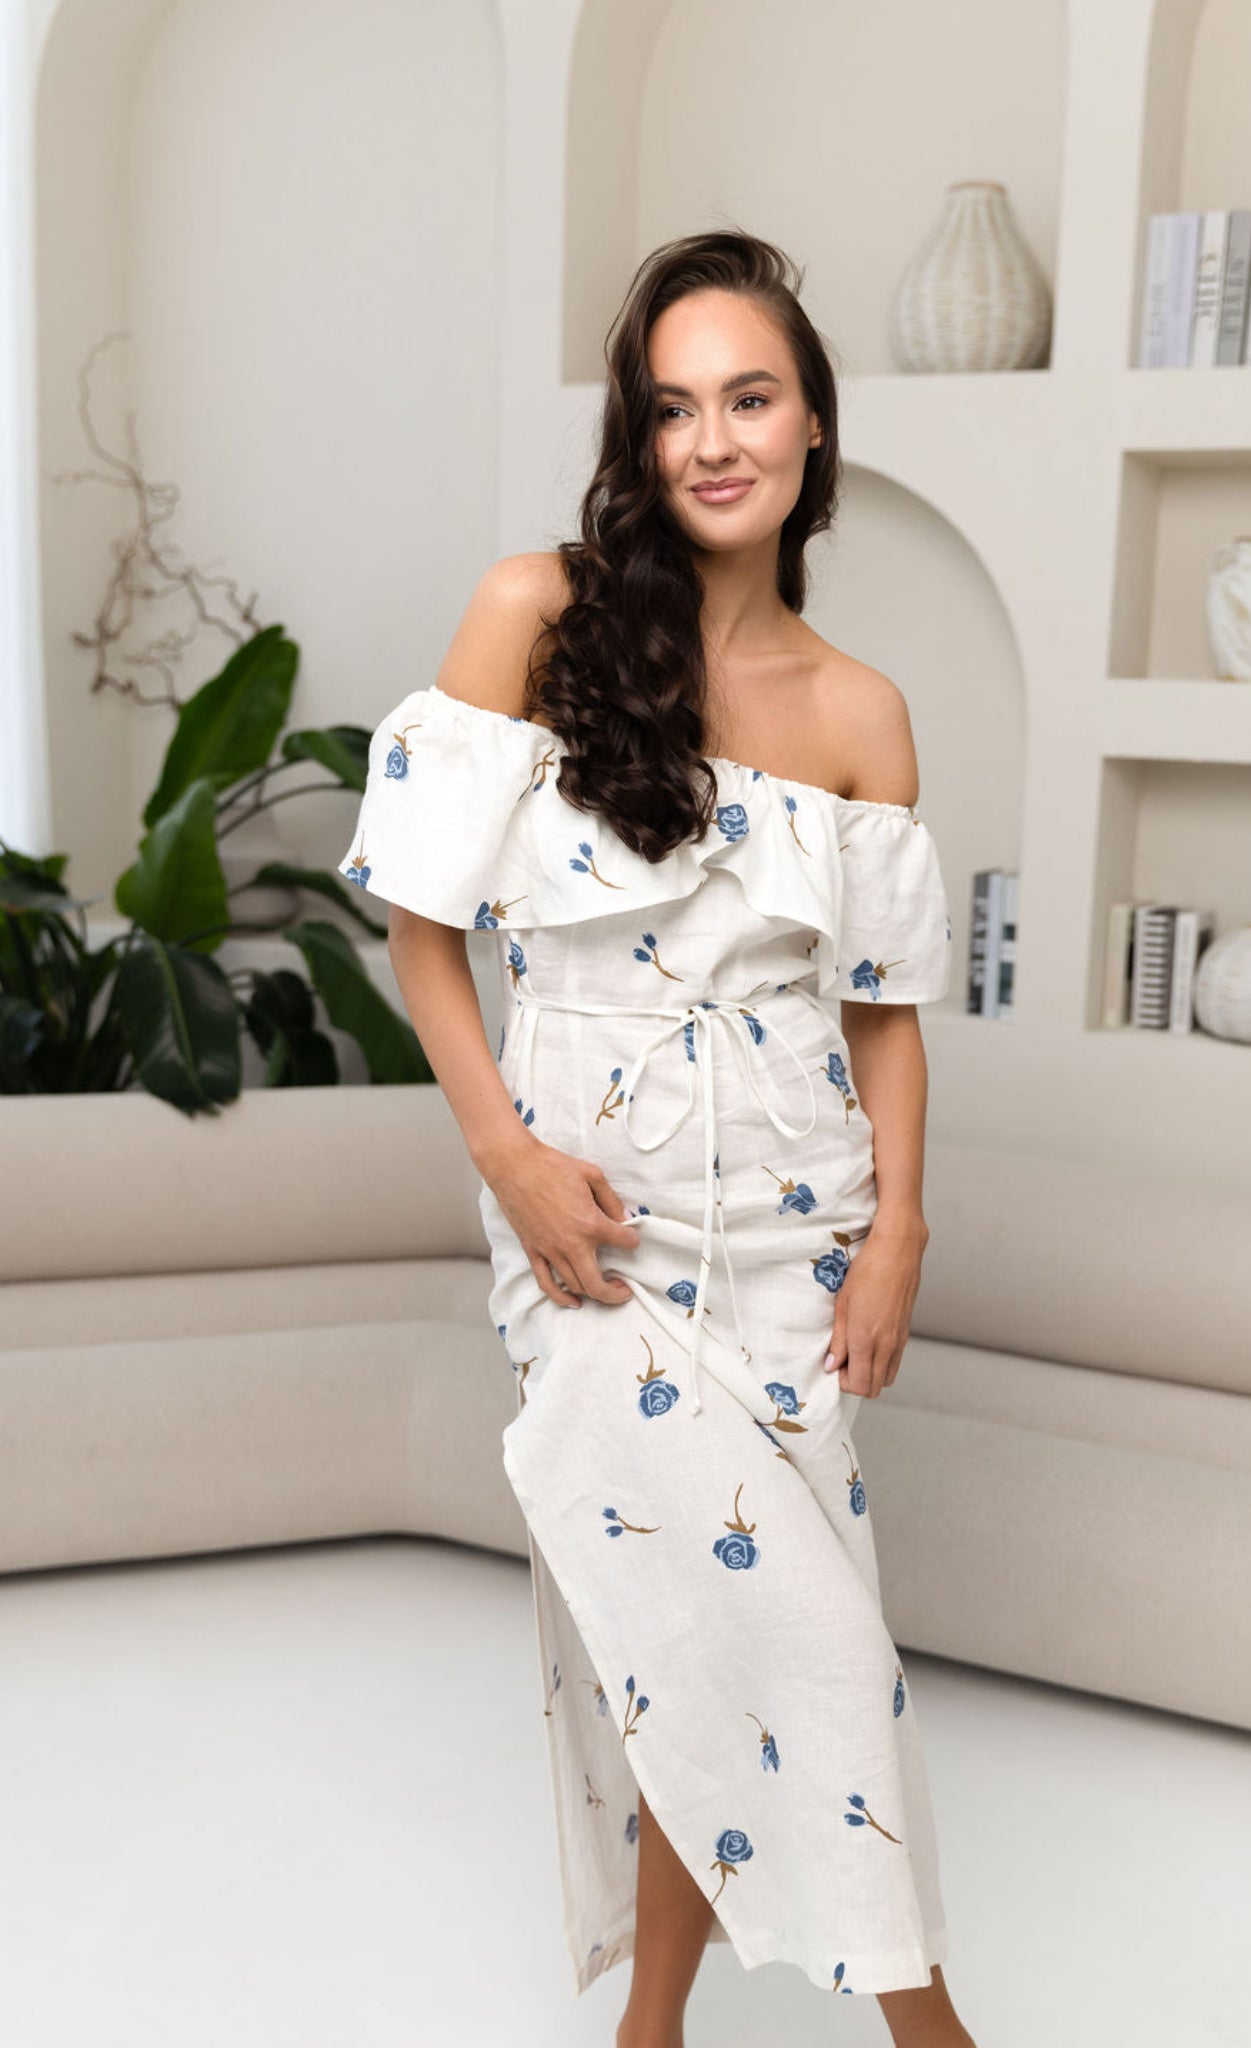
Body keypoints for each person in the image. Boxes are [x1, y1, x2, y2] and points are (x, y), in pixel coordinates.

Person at [337, 228, 975, 2048]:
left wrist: (901, 1227)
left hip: (792, 1235)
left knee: (707, 1651)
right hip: (591, 1237)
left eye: (749, 398)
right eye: (673, 405)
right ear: (637, 435)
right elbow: (417, 918)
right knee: (785, 1648)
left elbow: (878, 1010)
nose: (714, 440)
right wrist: (507, 1162)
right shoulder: (531, 614)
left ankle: (650, 2031)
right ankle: (931, 2026)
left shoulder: (862, 714)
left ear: (812, 427)